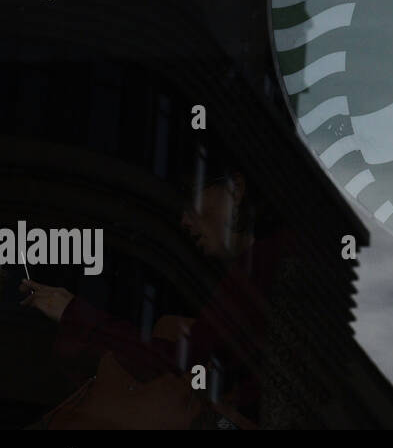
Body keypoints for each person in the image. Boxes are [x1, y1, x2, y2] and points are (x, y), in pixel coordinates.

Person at [21, 162, 288, 429]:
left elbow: (176, 359)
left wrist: (74, 312)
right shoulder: (264, 265)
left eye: (190, 201)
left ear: (236, 188)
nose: (185, 221)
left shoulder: (264, 266)